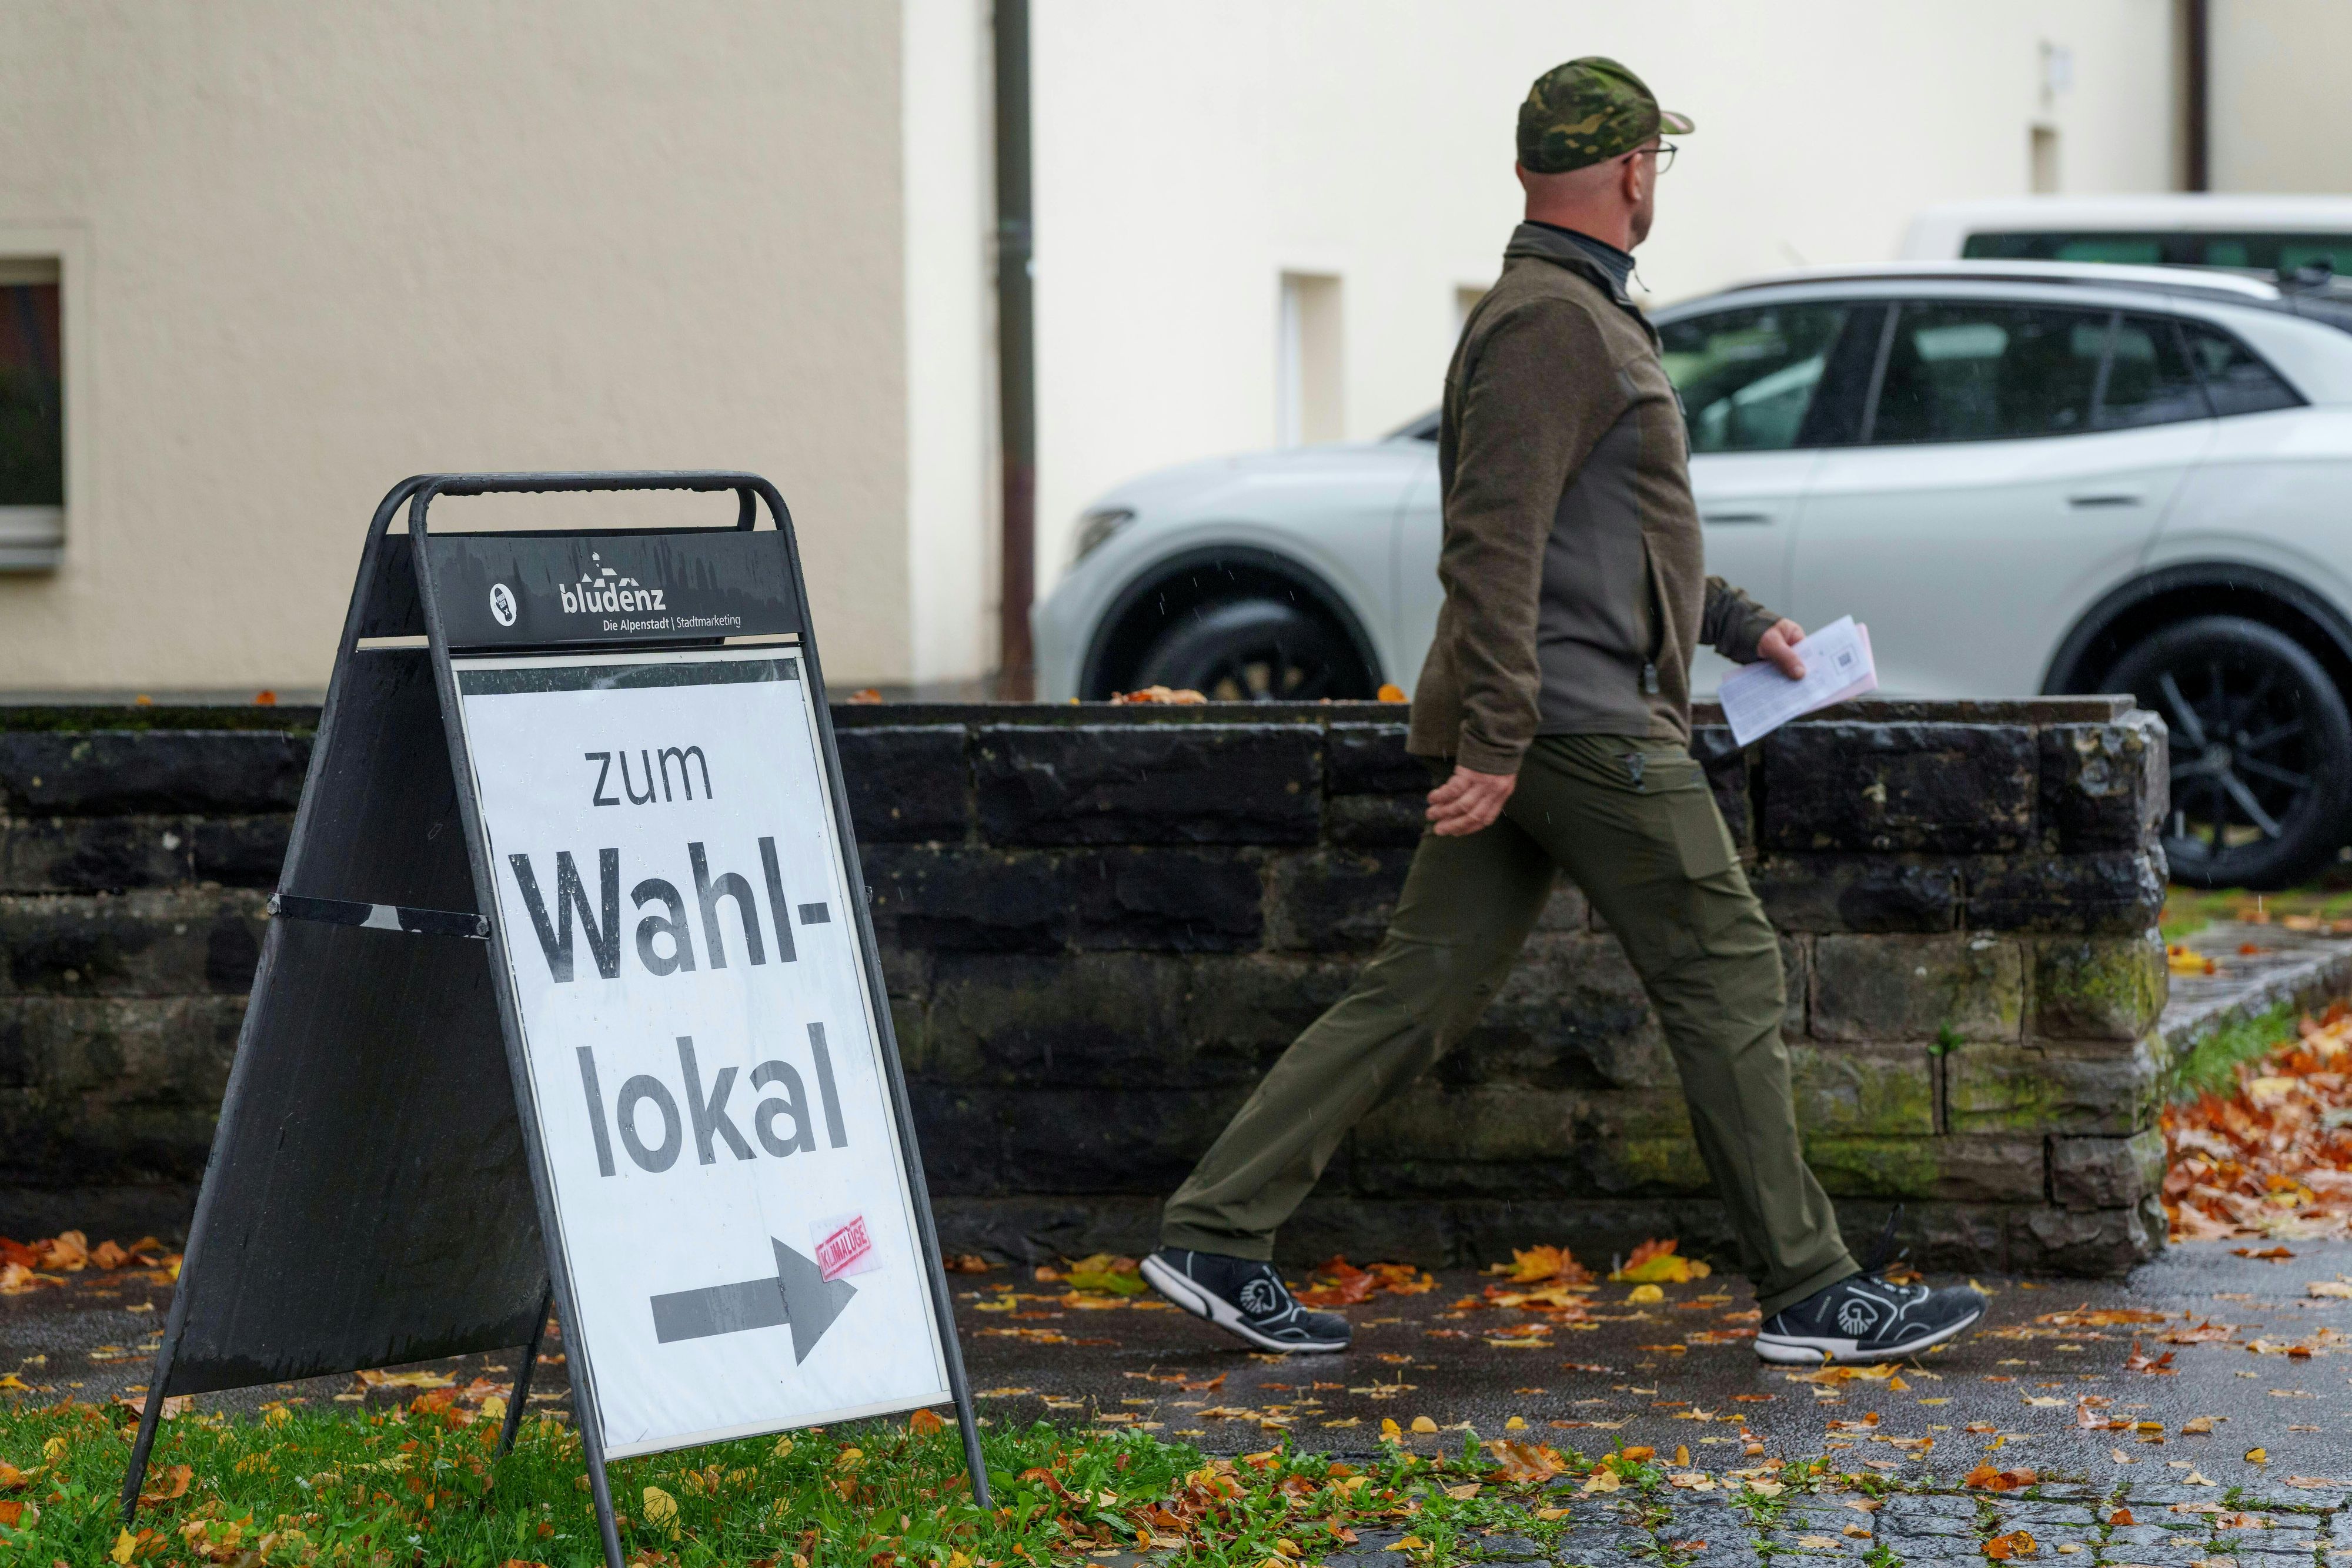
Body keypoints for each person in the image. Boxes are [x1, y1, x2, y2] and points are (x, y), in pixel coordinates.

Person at [1140, 57, 1984, 1366]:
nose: (1658, 183)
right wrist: (1494, 744)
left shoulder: (1569, 309)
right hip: (1574, 726)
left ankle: (1212, 1230)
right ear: (1633, 167)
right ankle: (1812, 1288)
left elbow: (1608, 530)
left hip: (1541, 720)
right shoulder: (1551, 323)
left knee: (1415, 989)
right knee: (1725, 965)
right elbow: (1491, 542)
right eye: (1659, 163)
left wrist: (1735, 619)